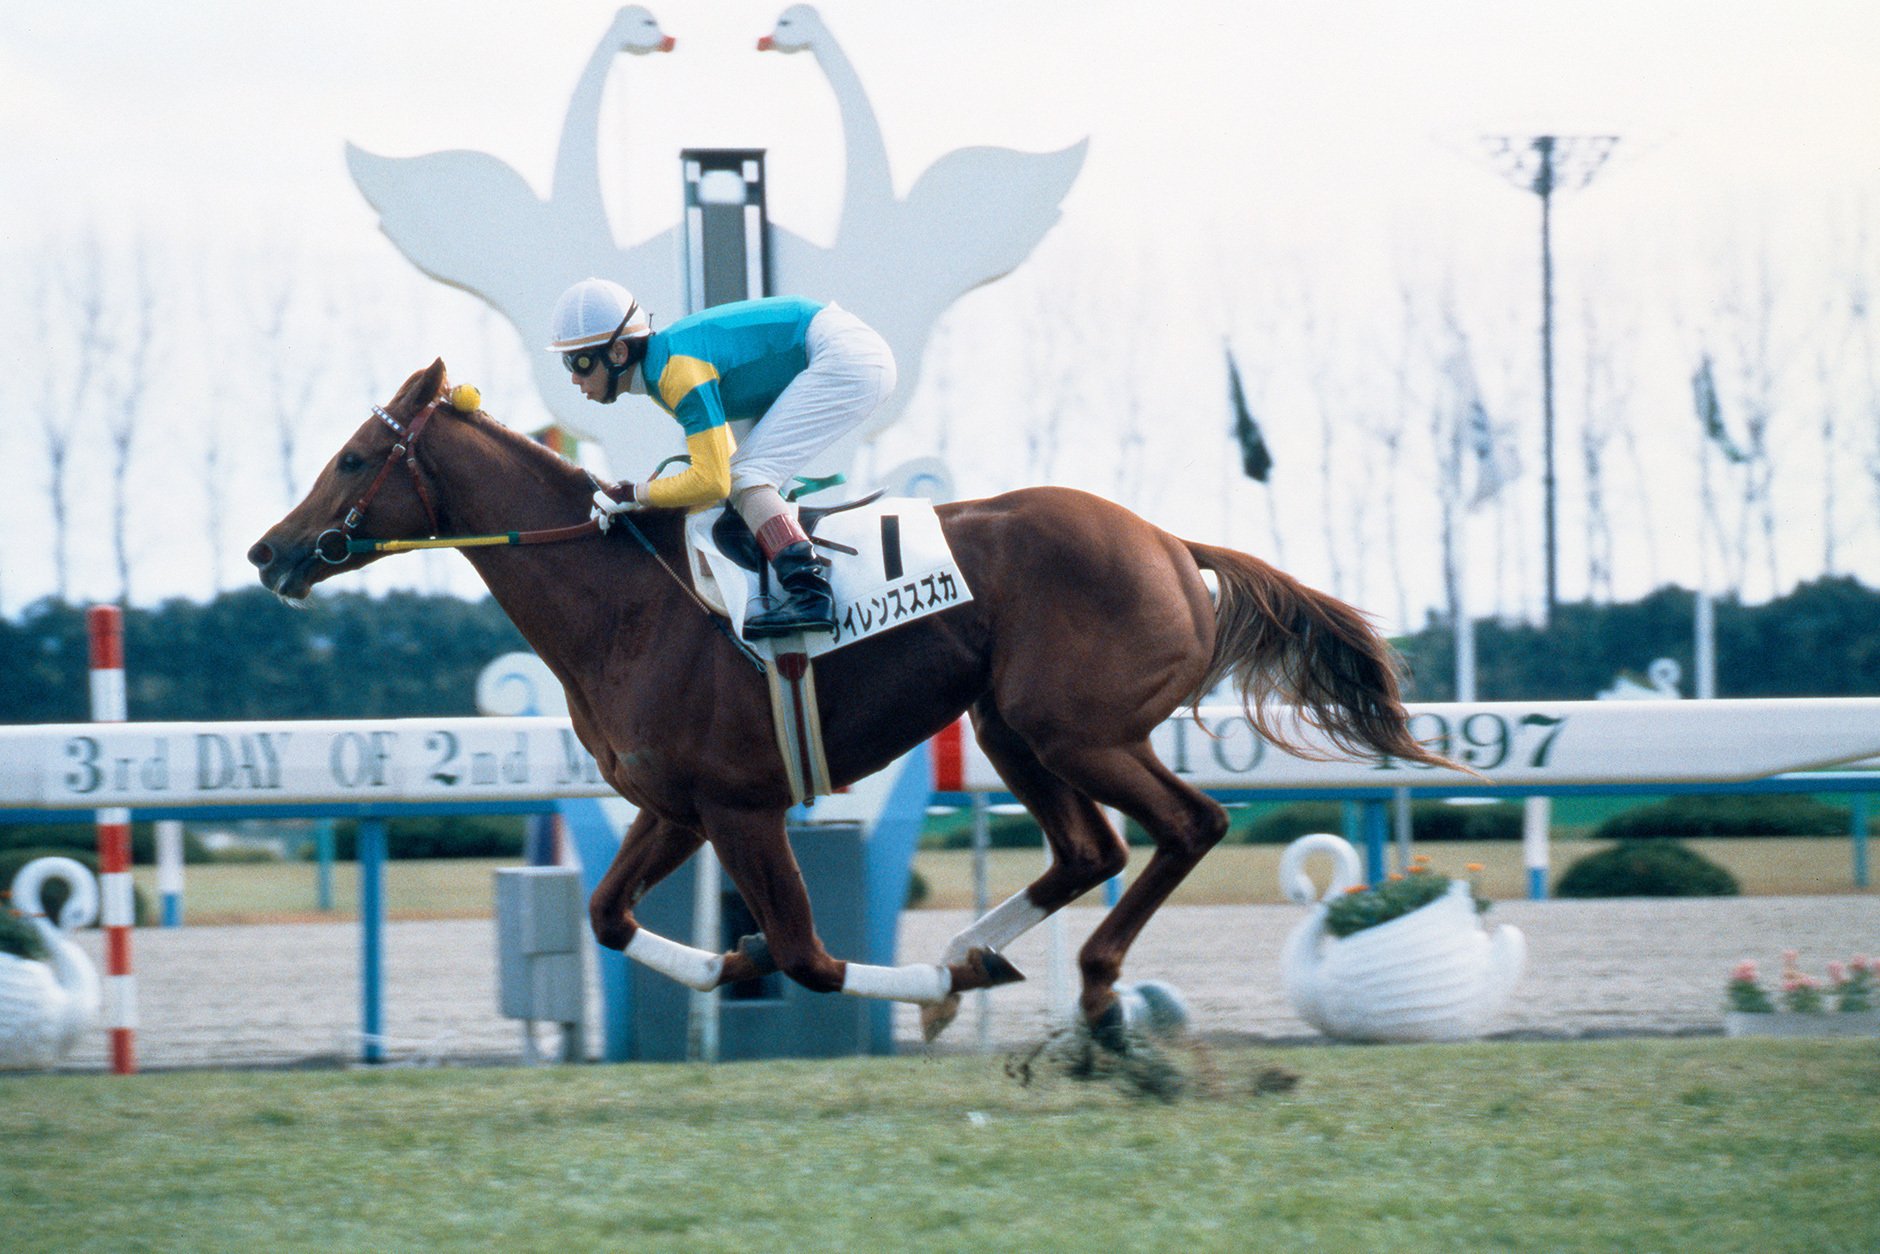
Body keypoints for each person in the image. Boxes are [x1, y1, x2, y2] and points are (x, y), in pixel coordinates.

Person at [546, 278, 896, 639]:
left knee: (748, 478)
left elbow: (714, 480)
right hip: (844, 347)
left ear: (618, 353)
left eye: (580, 361)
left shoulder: (675, 373)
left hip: (845, 355)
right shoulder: (663, 371)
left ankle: (809, 592)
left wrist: (633, 494)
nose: (574, 378)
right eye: (567, 364)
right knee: (744, 479)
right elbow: (720, 471)